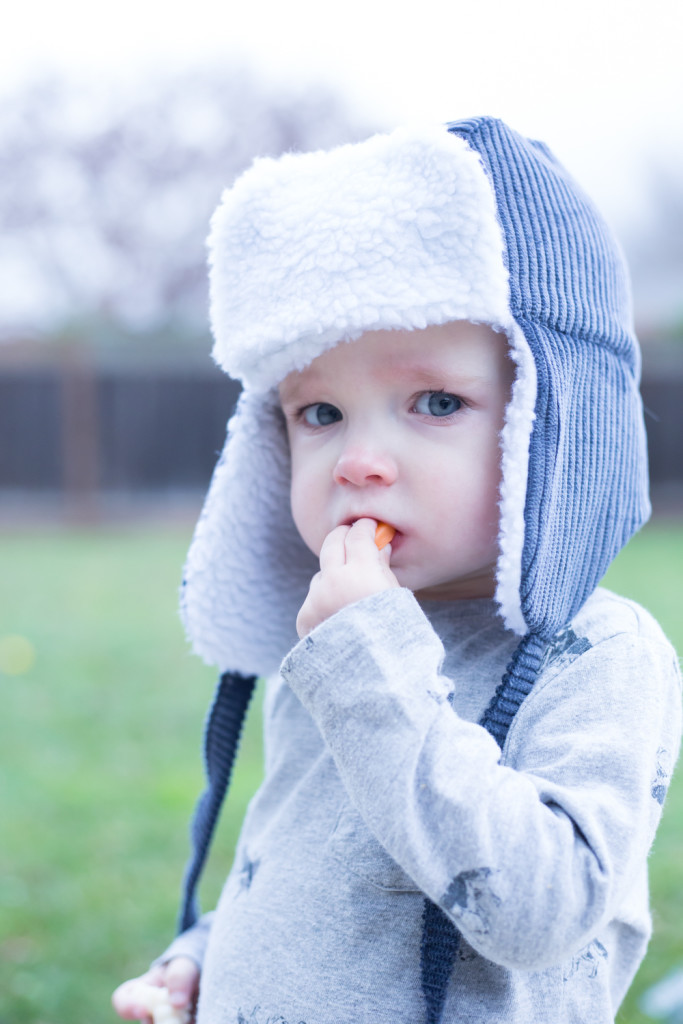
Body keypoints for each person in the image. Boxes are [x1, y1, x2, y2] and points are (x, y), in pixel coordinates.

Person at [112, 118, 681, 1024]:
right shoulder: (340, 636)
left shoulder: (597, 652)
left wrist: (371, 663)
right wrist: (207, 958)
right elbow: (312, 871)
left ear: (556, 424)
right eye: (321, 413)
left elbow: (543, 911)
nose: (358, 459)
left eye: (436, 402)